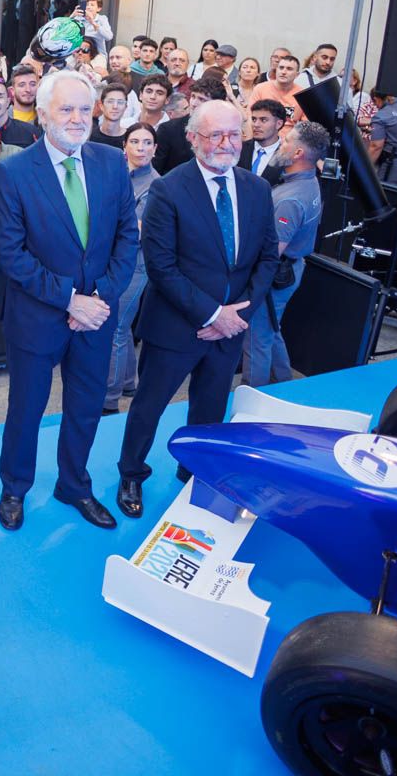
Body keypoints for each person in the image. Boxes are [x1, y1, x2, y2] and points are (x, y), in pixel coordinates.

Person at [115, 101, 279, 520]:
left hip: (230, 329)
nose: (226, 144)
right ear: (193, 139)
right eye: (215, 135)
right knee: (149, 406)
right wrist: (212, 315)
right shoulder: (168, 189)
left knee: (209, 410)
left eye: (234, 135)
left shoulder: (257, 189)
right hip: (175, 327)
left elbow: (266, 261)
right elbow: (161, 266)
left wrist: (236, 316)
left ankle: (196, 471)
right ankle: (131, 473)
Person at [0, 72, 139, 532]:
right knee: (27, 408)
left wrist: (98, 298)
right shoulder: (15, 171)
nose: (77, 119)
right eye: (66, 110)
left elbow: (127, 238)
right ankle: (15, 486)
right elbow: (12, 255)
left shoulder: (112, 164)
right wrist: (70, 300)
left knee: (86, 404)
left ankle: (74, 484)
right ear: (42, 113)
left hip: (96, 316)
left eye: (83, 109)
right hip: (39, 317)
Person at [243, 122, 327, 387]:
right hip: (290, 269)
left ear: (299, 153)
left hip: (277, 275)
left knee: (257, 339)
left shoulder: (291, 199)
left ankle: (252, 398)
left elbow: (272, 253)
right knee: (270, 330)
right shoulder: (308, 182)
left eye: (287, 140)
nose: (281, 143)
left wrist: (252, 285)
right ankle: (285, 384)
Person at [105, 123, 161, 414]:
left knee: (115, 326)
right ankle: (127, 381)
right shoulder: (115, 173)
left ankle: (108, 398)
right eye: (135, 141)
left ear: (155, 148)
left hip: (137, 264)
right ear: (124, 145)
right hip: (114, 260)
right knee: (122, 325)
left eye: (147, 142)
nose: (141, 147)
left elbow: (140, 230)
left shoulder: (156, 184)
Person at [240, 99, 291, 183]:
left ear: (279, 124)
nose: (256, 125)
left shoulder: (288, 156)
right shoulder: (240, 148)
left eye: (263, 120)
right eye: (254, 119)